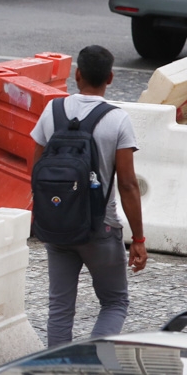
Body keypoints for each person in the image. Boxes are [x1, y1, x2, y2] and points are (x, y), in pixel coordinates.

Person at [30, 45, 147, 347]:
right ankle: (95, 362)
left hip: (58, 226)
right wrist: (139, 238)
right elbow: (128, 185)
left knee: (59, 308)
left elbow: (36, 169)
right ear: (110, 77)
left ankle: (56, 367)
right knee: (115, 302)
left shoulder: (52, 111)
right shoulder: (117, 119)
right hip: (100, 229)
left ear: (77, 74)